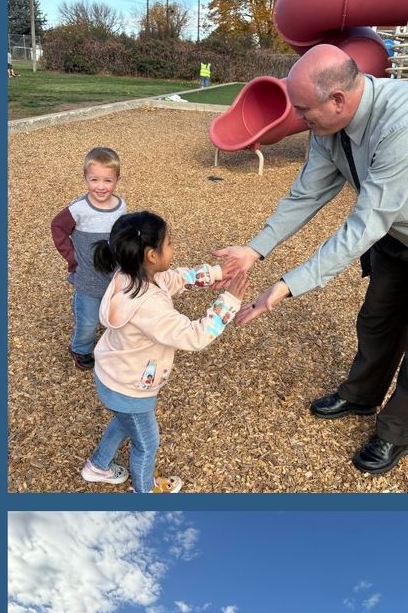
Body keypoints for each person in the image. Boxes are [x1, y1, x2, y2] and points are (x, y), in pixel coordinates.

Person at [218, 43, 408, 476]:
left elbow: (364, 224)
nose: (298, 120)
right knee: (378, 318)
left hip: (387, 222)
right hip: (397, 235)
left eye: (303, 111)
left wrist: (286, 286)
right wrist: (255, 248)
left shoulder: (400, 123)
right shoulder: (328, 127)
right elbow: (308, 192)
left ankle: (397, 431)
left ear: (338, 99)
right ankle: (361, 394)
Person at [83, 211, 246, 493]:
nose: (174, 248)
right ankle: (145, 492)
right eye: (169, 243)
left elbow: (175, 278)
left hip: (113, 376)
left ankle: (97, 466)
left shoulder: (129, 274)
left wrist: (217, 273)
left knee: (123, 423)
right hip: (129, 389)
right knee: (147, 443)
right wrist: (229, 302)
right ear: (151, 255)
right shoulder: (149, 306)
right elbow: (195, 336)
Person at [51, 147, 127, 371]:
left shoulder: (121, 207)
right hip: (87, 276)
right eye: (94, 180)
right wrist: (71, 255)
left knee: (115, 315)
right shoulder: (78, 209)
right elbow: (57, 227)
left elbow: (123, 234)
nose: (101, 187)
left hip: (114, 276)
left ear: (117, 180)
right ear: (85, 177)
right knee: (88, 322)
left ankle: (112, 347)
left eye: (107, 180)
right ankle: (81, 348)